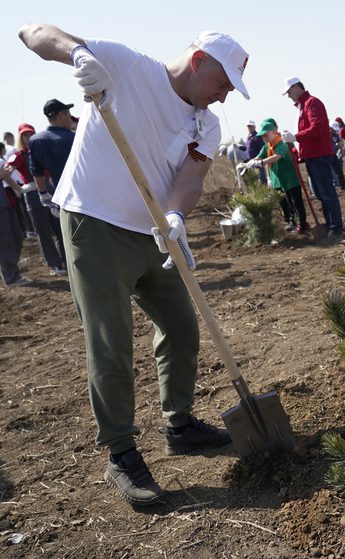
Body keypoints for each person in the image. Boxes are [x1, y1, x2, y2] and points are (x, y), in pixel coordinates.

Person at [20, 23, 249, 506]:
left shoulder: (206, 123)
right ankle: (121, 453)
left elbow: (190, 177)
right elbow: (31, 31)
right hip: (94, 223)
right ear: (200, 60)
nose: (225, 97)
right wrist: (79, 57)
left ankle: (180, 424)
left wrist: (174, 215)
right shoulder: (125, 68)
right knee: (110, 338)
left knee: (182, 325)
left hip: (153, 232)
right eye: (224, 84)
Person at [283, 76, 343, 242]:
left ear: (295, 87)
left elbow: (317, 128)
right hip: (312, 156)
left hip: (319, 155)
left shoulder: (312, 103)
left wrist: (295, 137)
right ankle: (330, 223)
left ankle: (336, 228)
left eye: (289, 92)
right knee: (320, 192)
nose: (289, 96)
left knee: (326, 192)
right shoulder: (303, 106)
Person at [6, 123, 67, 275]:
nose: (28, 137)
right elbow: (5, 171)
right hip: (33, 195)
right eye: (25, 135)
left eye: (30, 134)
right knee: (44, 232)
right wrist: (18, 188)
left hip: (51, 191)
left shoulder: (40, 149)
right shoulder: (19, 155)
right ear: (20, 137)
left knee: (59, 228)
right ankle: (54, 265)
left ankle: (66, 260)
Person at [29, 97, 79, 275]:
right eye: (68, 113)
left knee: (66, 235)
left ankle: (72, 268)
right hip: (81, 195)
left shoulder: (35, 140)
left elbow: (37, 171)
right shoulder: (72, 138)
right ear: (63, 114)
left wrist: (43, 195)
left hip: (58, 195)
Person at [246, 118, 308, 233]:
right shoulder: (268, 146)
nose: (264, 138)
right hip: (281, 180)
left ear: (274, 132)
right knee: (288, 203)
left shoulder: (282, 143)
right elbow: (260, 156)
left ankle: (303, 225)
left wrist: (261, 162)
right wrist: (248, 163)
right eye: (263, 136)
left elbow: (276, 157)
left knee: (296, 202)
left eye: (266, 135)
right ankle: (294, 222)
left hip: (290, 178)